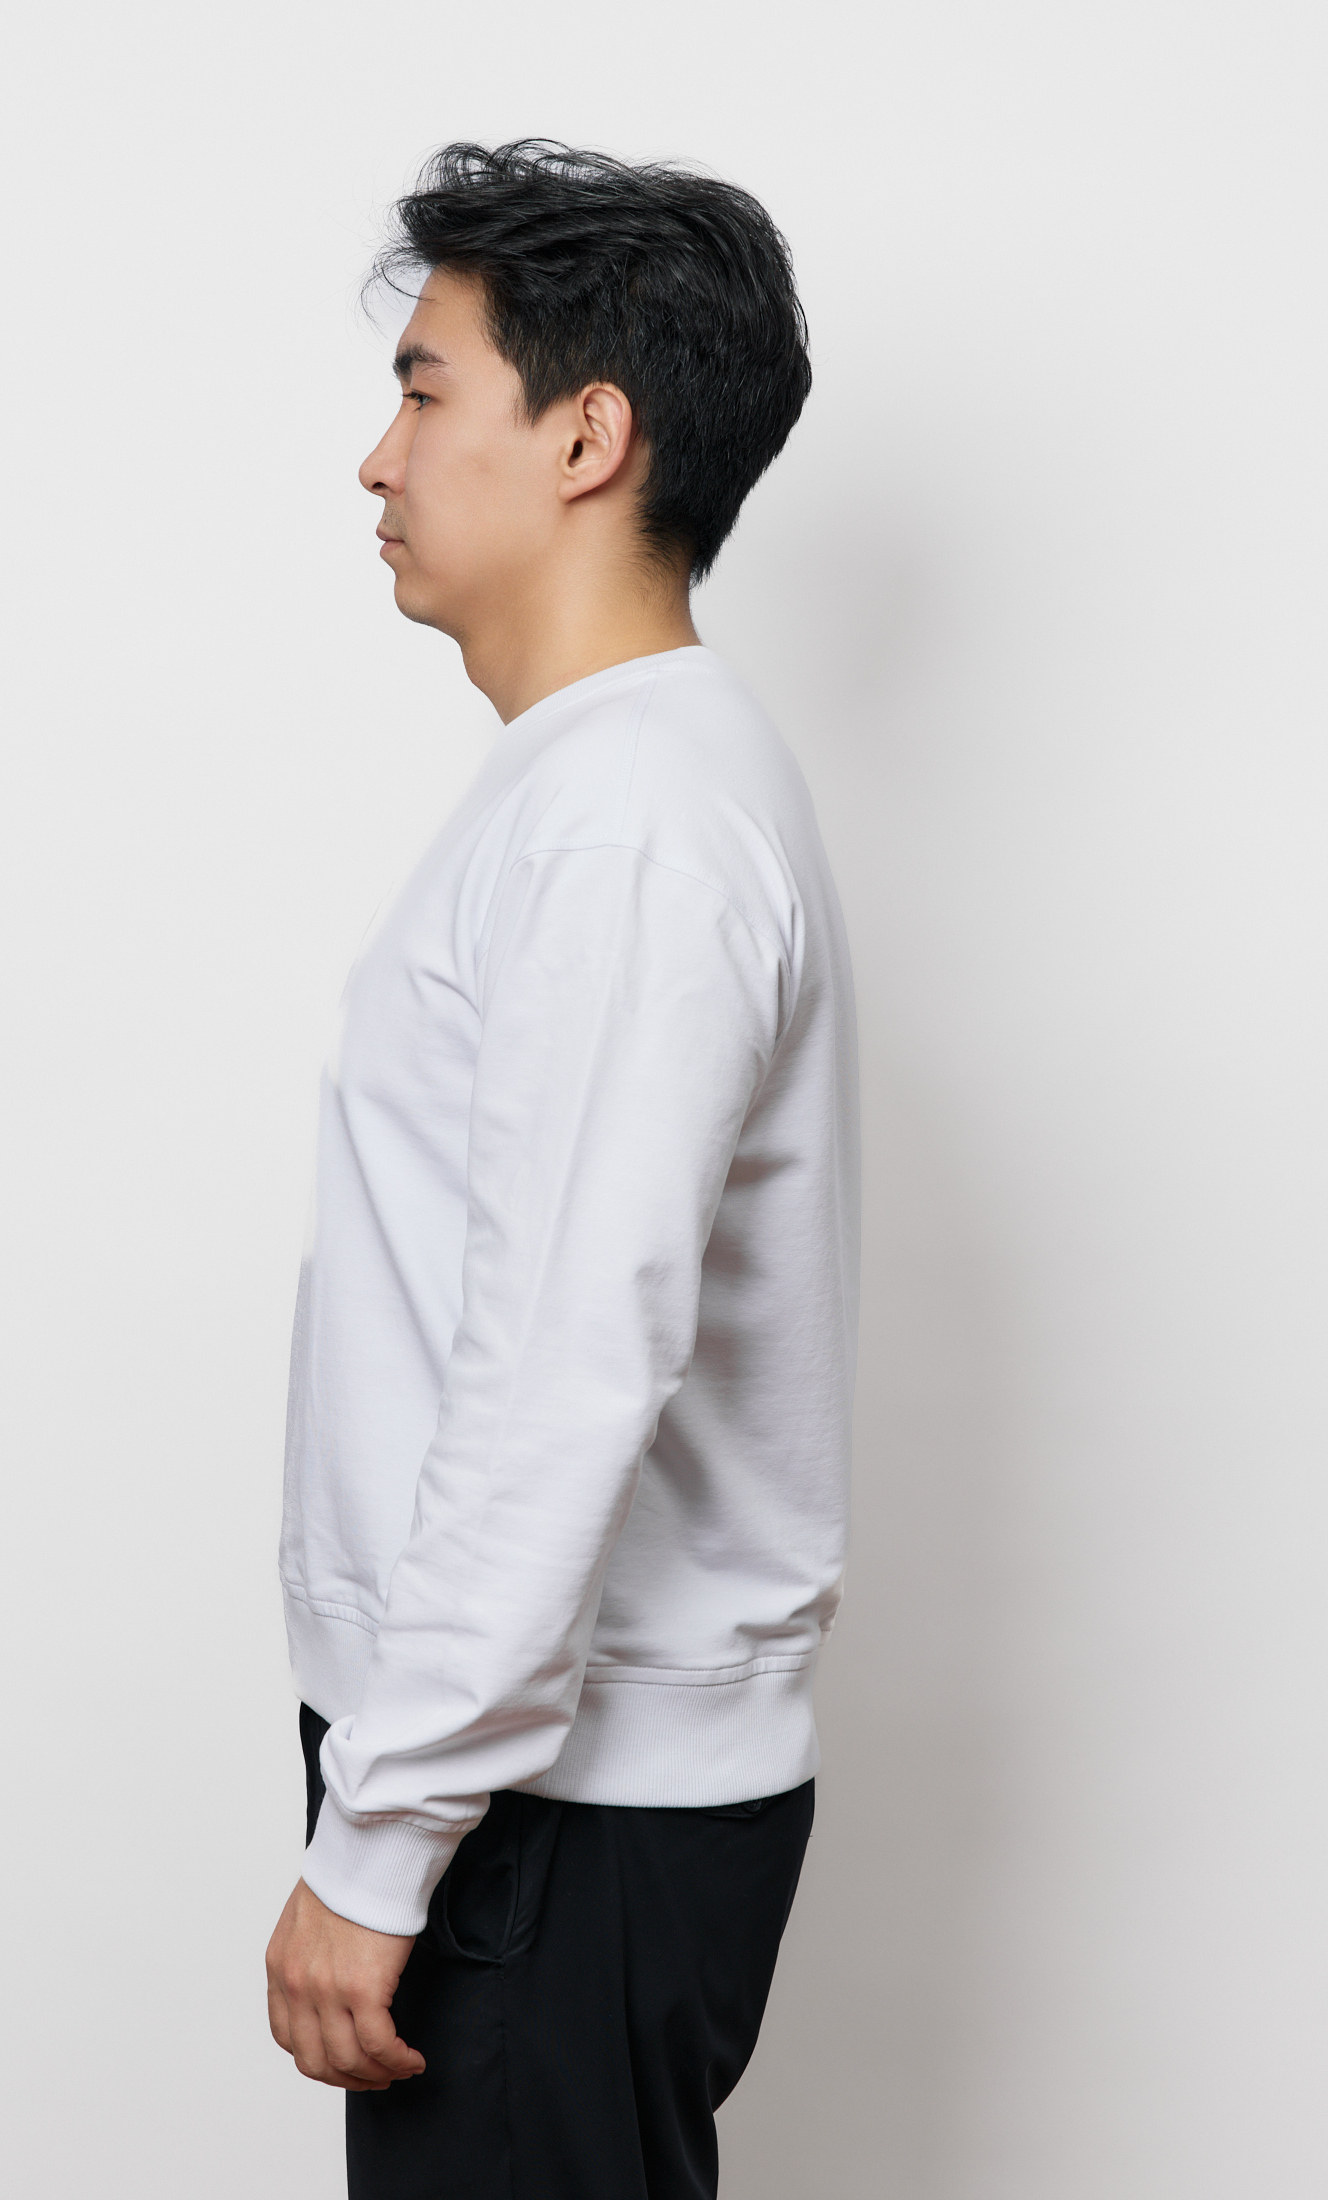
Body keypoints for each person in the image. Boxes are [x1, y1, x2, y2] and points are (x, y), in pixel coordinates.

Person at [266, 140, 859, 2200]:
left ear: (589, 437)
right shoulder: (612, 789)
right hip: (534, 1790)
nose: (378, 458)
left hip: (543, 1810)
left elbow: (561, 1366)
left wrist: (384, 1839)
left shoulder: (630, 826)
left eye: (425, 392)